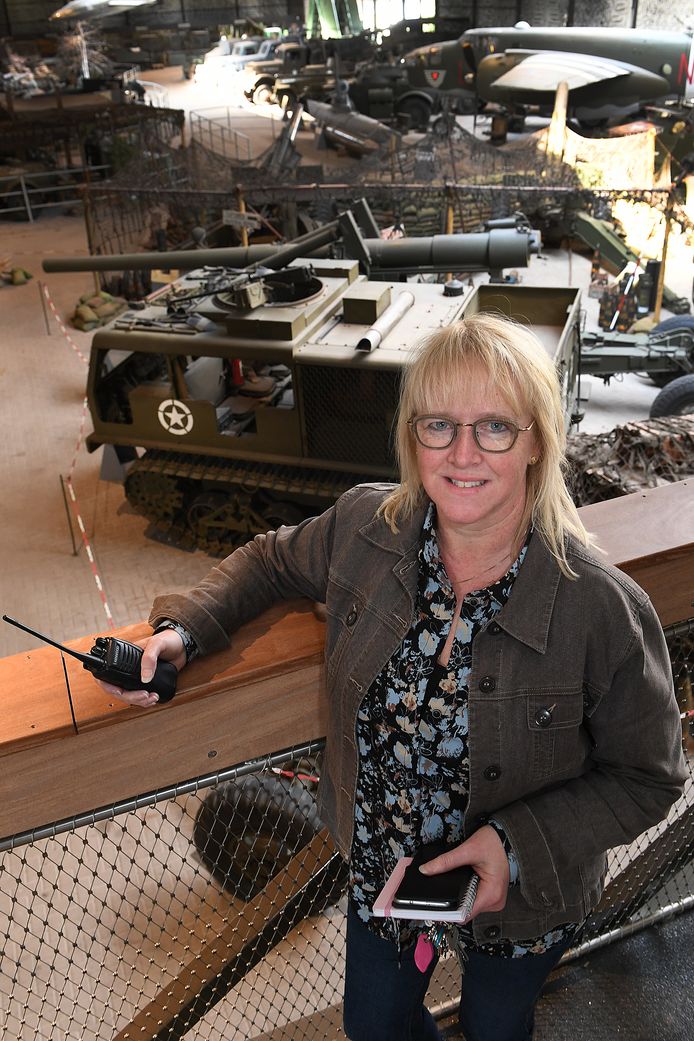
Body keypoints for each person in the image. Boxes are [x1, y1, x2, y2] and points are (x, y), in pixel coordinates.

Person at [99, 313, 686, 1041]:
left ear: (536, 438)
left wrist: (513, 846)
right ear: (413, 437)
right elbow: (270, 559)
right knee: (374, 1025)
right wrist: (182, 631)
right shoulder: (366, 527)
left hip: (526, 900)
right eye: (438, 424)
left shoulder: (600, 606)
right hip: (383, 868)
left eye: (495, 427)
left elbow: (651, 776)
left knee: (498, 1027)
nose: (462, 452)